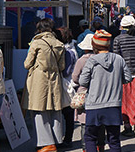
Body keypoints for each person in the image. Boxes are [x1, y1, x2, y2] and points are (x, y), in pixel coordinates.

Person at [79, 30, 132, 152]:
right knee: (114, 140)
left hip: (94, 106)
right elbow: (128, 78)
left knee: (90, 137)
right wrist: (116, 80)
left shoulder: (91, 61)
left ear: (94, 45)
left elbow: (82, 82)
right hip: (114, 105)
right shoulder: (119, 59)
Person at [22, 18, 65, 152]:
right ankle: (56, 140)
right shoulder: (59, 44)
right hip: (55, 79)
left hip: (39, 80)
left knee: (39, 111)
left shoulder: (36, 43)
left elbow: (27, 64)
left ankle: (46, 144)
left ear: (39, 29)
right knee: (55, 110)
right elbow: (62, 66)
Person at [72, 34, 105, 152]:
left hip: (84, 94)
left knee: (84, 123)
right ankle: (100, 146)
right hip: (100, 92)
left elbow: (75, 78)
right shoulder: (102, 59)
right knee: (100, 123)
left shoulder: (81, 61)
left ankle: (85, 148)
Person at [57, 27, 78, 148]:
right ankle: (67, 138)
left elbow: (66, 71)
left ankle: (67, 139)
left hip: (67, 84)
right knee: (68, 114)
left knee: (67, 114)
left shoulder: (68, 51)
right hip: (69, 83)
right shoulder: (71, 48)